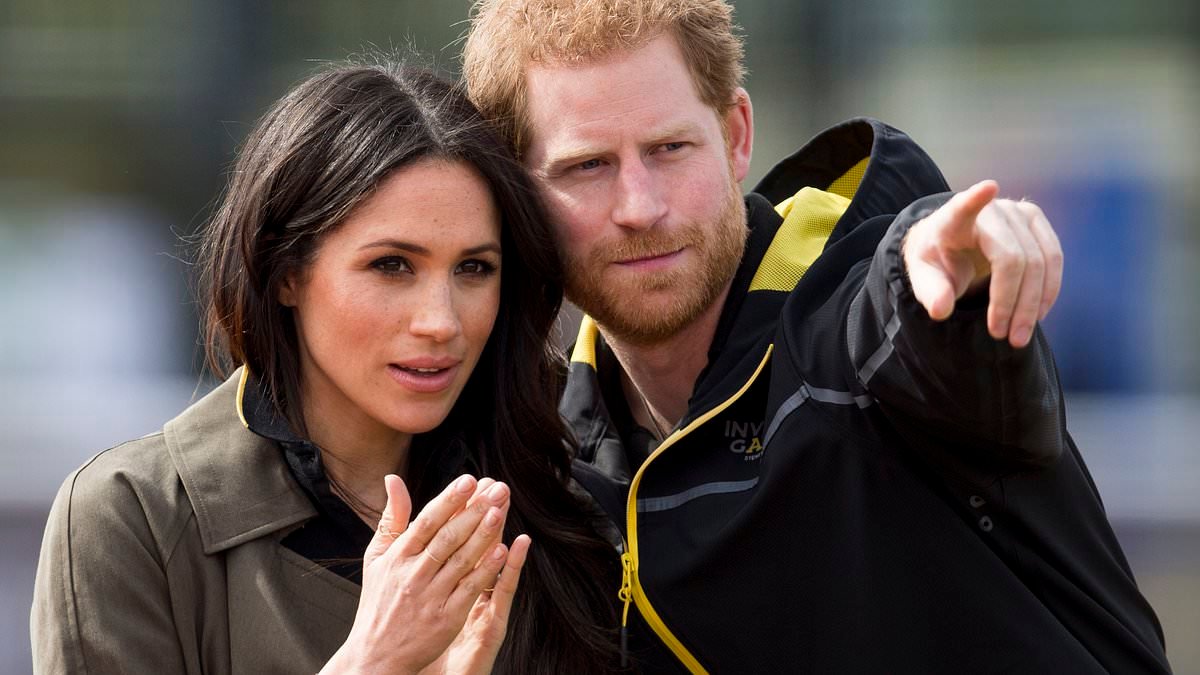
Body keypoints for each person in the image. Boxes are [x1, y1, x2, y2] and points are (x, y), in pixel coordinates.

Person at [462, 1, 1172, 672]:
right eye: (588, 166)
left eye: (670, 147)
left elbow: (907, 321)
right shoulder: (544, 459)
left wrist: (948, 282)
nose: (640, 206)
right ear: (518, 192)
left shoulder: (857, 318)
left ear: (736, 135)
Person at [31, 61, 621, 674]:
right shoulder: (133, 519)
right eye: (392, 265)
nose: (441, 321)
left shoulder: (559, 502)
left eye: (473, 268)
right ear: (288, 272)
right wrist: (370, 662)